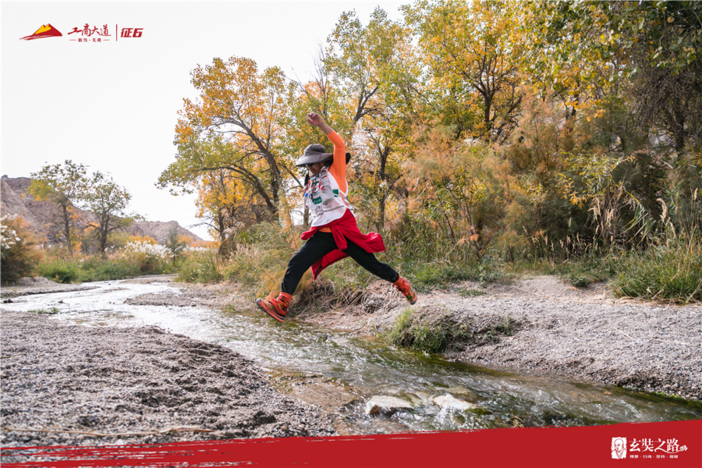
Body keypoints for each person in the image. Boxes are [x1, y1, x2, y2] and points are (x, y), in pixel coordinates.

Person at [256, 112, 417, 322]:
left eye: (313, 163)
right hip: (322, 235)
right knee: (296, 263)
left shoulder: (335, 172)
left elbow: (339, 145)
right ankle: (282, 304)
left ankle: (401, 284)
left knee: (372, 265)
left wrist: (321, 124)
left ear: (322, 161)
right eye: (307, 164)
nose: (310, 167)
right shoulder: (310, 183)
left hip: (344, 230)